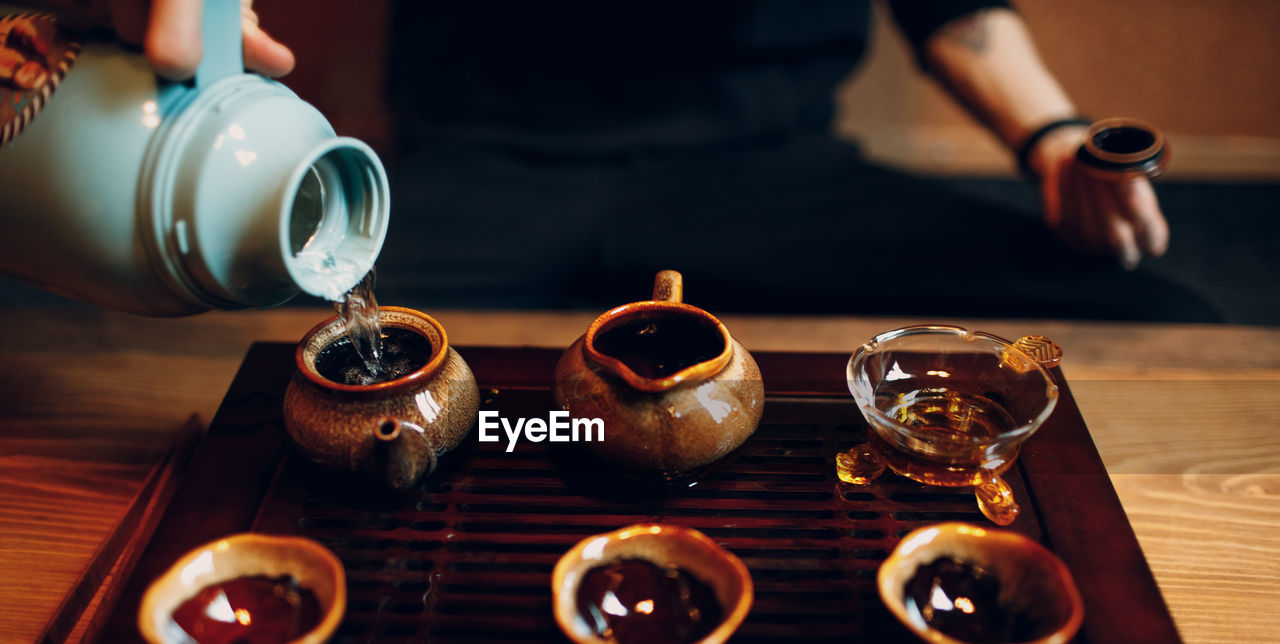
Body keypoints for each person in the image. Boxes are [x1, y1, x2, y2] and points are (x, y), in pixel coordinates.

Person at [72, 0, 1219, 321]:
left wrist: (1051, 138)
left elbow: (951, 6)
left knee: (1156, 319)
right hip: (489, 167)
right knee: (256, 367)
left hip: (773, 176)